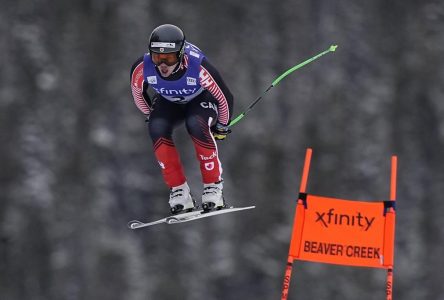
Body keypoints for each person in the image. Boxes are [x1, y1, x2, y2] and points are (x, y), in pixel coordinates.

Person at [130, 24, 233, 214]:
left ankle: (213, 187)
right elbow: (138, 95)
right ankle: (179, 191)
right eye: (157, 57)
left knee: (195, 124)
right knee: (157, 127)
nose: (162, 65)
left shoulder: (198, 66)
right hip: (169, 102)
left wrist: (222, 126)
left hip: (200, 99)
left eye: (168, 58)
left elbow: (224, 97)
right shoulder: (141, 68)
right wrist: (150, 116)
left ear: (180, 54)